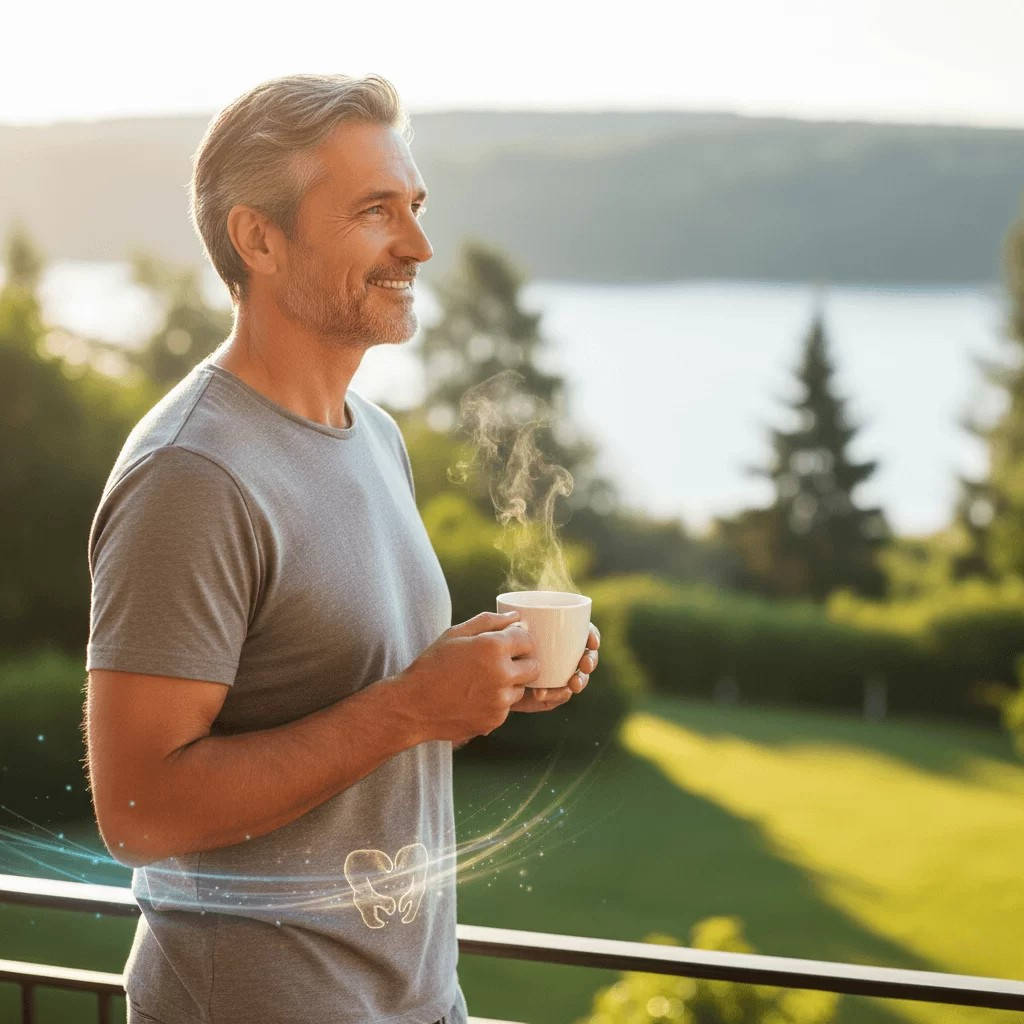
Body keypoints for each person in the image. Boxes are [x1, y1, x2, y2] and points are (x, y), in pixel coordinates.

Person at [84, 73, 600, 1024]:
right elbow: (137, 811)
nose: (419, 246)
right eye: (374, 212)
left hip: (418, 1002)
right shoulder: (191, 474)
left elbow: (352, 694)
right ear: (259, 239)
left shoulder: (374, 436)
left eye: (415, 207)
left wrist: (477, 680)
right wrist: (409, 708)